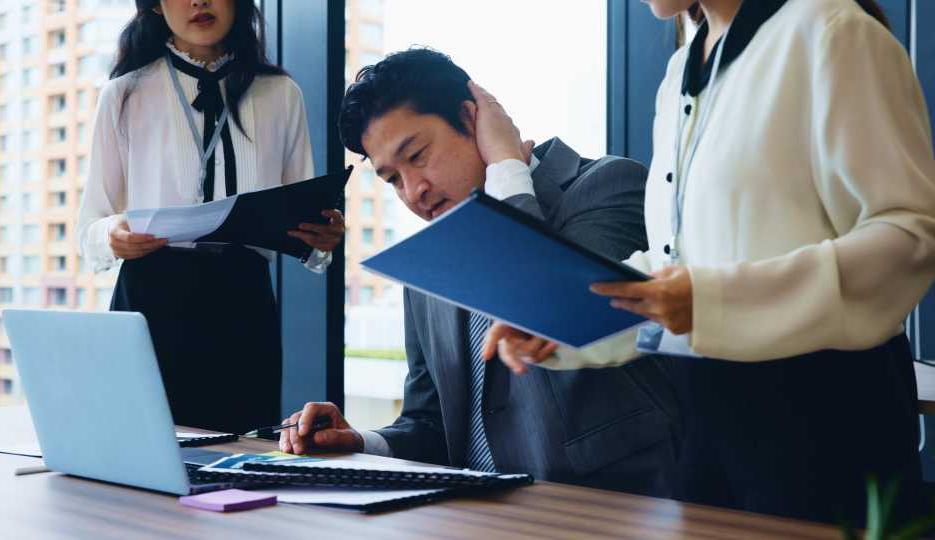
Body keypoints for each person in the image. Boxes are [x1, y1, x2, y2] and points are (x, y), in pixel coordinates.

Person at [484, 0, 935, 526]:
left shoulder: (831, 32)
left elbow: (909, 235)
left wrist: (709, 300)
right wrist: (561, 321)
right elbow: (677, 262)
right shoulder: (680, 71)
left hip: (828, 424)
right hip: (705, 431)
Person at [279, 48, 680, 496]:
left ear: (473, 121)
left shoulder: (607, 187)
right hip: (476, 515)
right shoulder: (427, 263)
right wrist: (358, 441)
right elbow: (430, 422)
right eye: (393, 179)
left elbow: (551, 312)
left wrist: (506, 170)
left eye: (417, 155)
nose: (415, 192)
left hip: (609, 510)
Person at [77, 0, 345, 434]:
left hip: (242, 301)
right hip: (151, 295)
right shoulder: (124, 94)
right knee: (142, 451)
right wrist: (111, 233)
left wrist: (322, 236)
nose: (199, 2)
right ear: (157, 7)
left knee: (239, 459)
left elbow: (303, 205)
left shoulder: (281, 93)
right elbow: (91, 222)